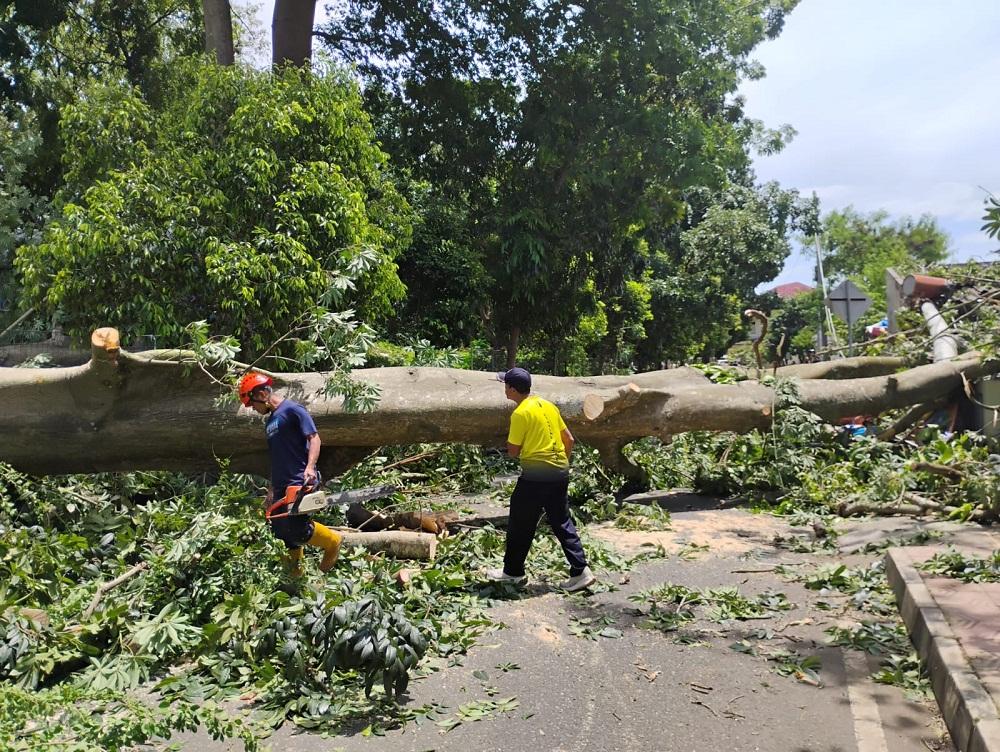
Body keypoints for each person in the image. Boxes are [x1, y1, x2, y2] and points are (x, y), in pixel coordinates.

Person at [486, 367, 596, 592]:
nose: (504, 389)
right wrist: (558, 465)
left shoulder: (520, 413)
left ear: (512, 389)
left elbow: (514, 451)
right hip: (560, 473)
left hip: (535, 477)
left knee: (520, 522)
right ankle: (581, 570)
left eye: (505, 385)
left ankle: (513, 572)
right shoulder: (548, 405)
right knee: (561, 521)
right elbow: (569, 440)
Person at [238, 372, 342, 576]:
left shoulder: (293, 410)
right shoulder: (270, 423)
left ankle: (333, 542)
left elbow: (314, 438)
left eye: (252, 404)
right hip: (280, 482)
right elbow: (276, 457)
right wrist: (271, 489)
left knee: (296, 528)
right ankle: (295, 574)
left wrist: (310, 468)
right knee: (279, 530)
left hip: (298, 477)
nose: (254, 409)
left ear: (260, 394)